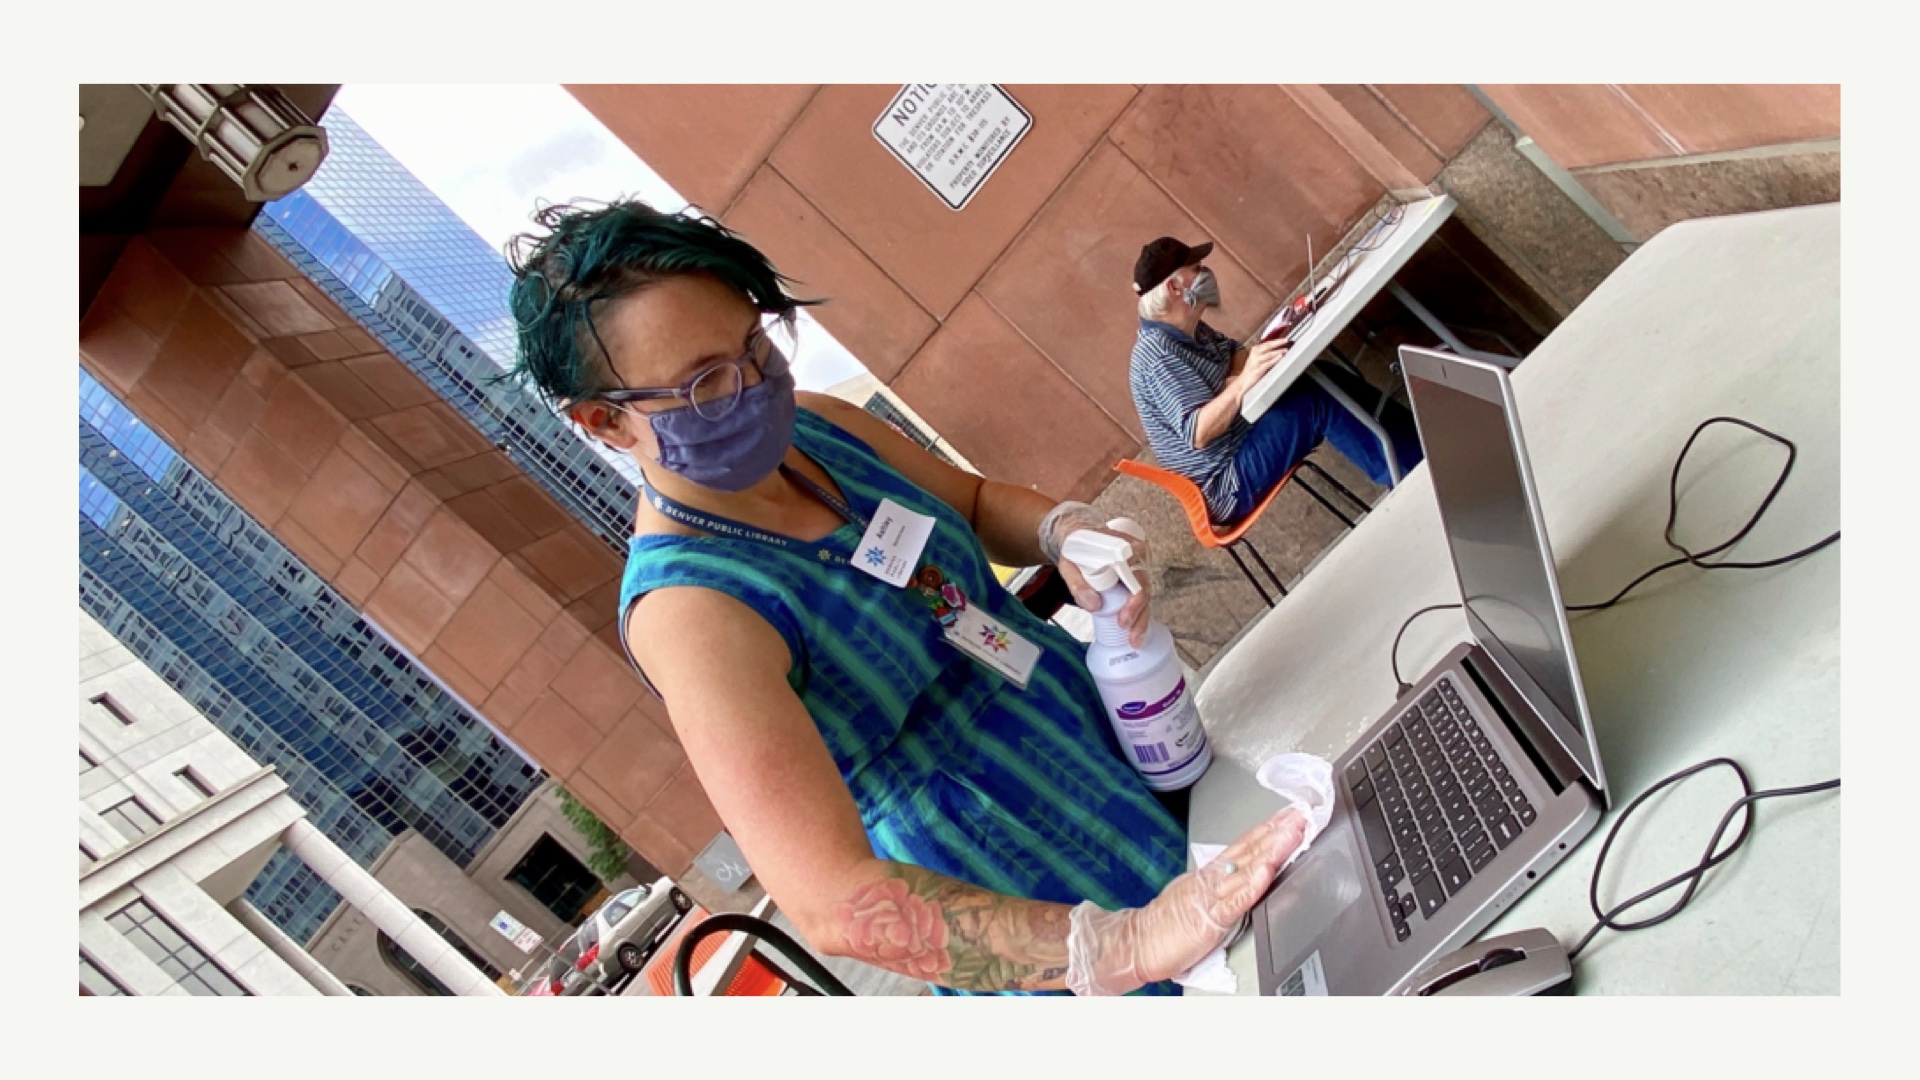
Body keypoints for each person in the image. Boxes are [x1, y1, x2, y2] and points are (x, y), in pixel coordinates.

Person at [504, 200, 1306, 996]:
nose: (753, 384)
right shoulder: (691, 613)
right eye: (707, 383)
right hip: (1021, 883)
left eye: (753, 344)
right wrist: (1122, 947)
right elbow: (833, 900)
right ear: (607, 423)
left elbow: (975, 505)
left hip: (1113, 742)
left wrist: (1066, 532)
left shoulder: (815, 431)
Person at [1128, 237, 1424, 525]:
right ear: (1175, 287)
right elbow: (1198, 432)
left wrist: (1278, 335)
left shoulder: (1191, 328)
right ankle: (1418, 475)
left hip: (1243, 439)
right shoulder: (1157, 355)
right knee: (1317, 399)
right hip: (1226, 482)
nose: (1206, 272)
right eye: (1196, 269)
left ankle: (1424, 449)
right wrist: (1242, 382)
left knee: (1319, 375)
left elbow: (1237, 357)